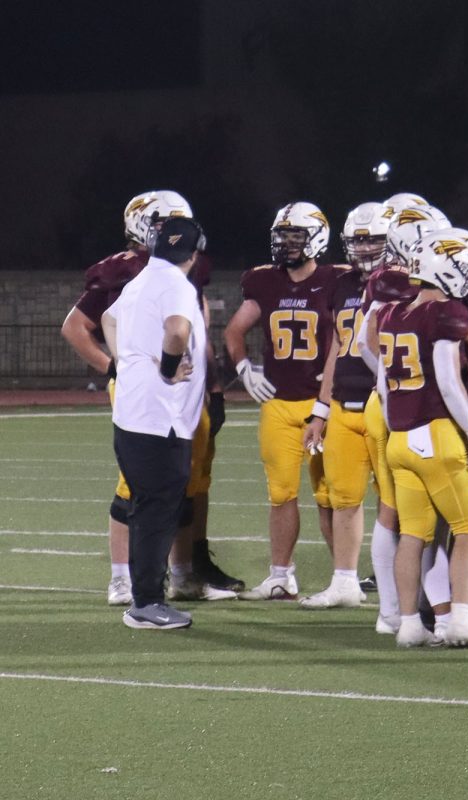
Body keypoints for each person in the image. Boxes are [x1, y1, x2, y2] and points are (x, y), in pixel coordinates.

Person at [61, 191, 239, 605]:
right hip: (146, 393)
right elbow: (77, 326)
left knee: (187, 481)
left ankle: (182, 574)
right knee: (138, 485)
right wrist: (115, 366)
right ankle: (123, 578)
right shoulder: (123, 271)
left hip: (183, 391)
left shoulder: (183, 269)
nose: (172, 234)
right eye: (164, 224)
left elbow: (195, 332)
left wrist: (214, 389)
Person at [375, 232, 468, 648]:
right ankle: (461, 617)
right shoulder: (445, 311)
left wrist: (396, 427)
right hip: (436, 433)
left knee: (413, 535)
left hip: (400, 438)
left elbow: (382, 382)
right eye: (465, 267)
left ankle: (409, 624)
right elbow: (448, 381)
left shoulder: (392, 312)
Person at [224, 202, 343, 600]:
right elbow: (234, 330)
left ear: (317, 239)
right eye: (282, 236)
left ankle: (342, 576)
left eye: (296, 236)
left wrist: (329, 394)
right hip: (278, 402)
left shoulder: (335, 281)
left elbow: (344, 337)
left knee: (330, 496)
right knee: (281, 494)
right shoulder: (264, 281)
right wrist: (244, 369)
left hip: (319, 403)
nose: (287, 244)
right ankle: (280, 575)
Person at [101, 217, 209, 629]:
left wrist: (125, 363)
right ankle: (145, 603)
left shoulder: (140, 281)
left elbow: (109, 321)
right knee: (155, 512)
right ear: (194, 252)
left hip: (134, 416)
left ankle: (146, 599)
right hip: (159, 420)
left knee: (148, 506)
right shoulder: (177, 285)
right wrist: (166, 368)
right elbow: (177, 331)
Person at [298, 202, 393, 608]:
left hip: (385, 404)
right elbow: (337, 343)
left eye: (373, 240)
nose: (365, 249)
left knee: (394, 502)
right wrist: (321, 409)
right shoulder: (342, 285)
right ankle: (345, 581)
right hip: (343, 404)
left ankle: (400, 587)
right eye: (358, 240)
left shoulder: (402, 284)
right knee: (344, 498)